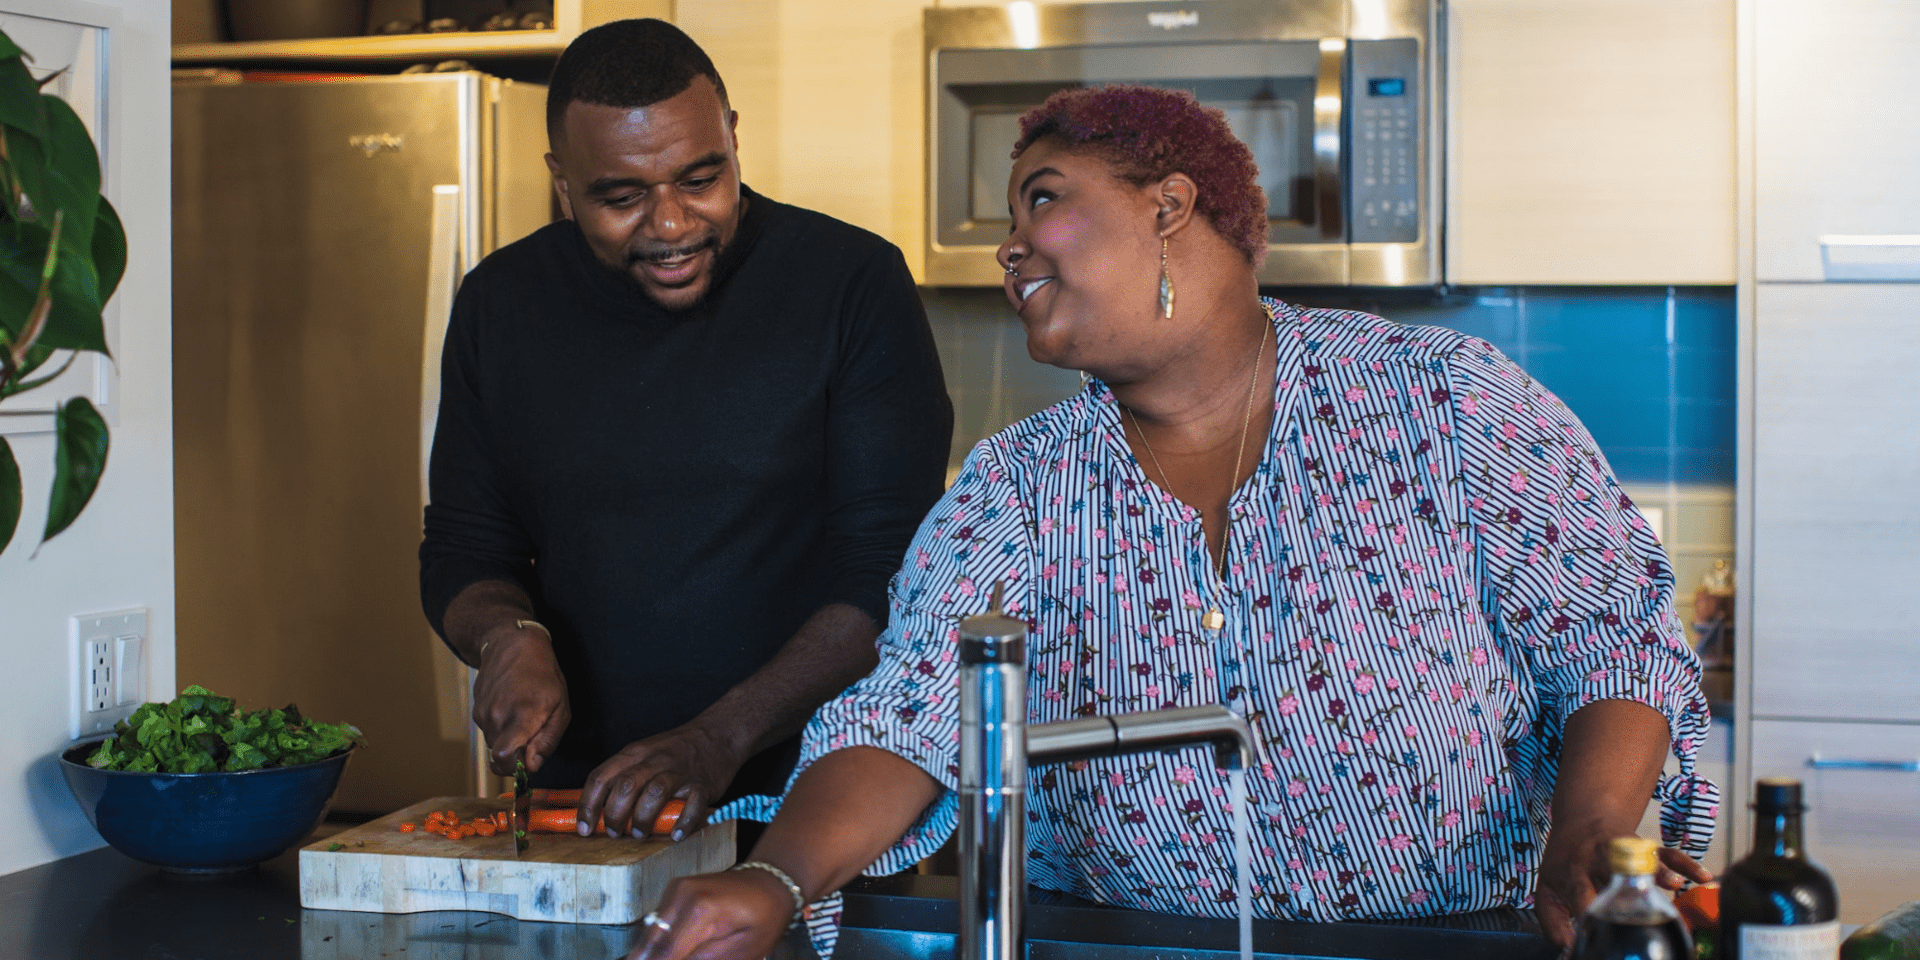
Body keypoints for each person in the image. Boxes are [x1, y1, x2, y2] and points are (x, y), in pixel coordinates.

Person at [628, 85, 1716, 959]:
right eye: (1006, 223)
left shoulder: (1447, 400)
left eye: (1042, 201)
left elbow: (1608, 640)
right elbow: (907, 721)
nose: (1011, 249)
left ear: (1169, 205)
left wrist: (1588, 832)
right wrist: (775, 876)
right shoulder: (1018, 486)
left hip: (1450, 942)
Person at [418, 19, 952, 841]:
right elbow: (463, 545)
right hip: (585, 811)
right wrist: (504, 637)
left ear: (734, 140)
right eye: (622, 196)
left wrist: (716, 740)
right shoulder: (502, 305)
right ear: (564, 184)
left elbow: (891, 576)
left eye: (701, 178)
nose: (670, 225)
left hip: (817, 810)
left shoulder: (850, 285)